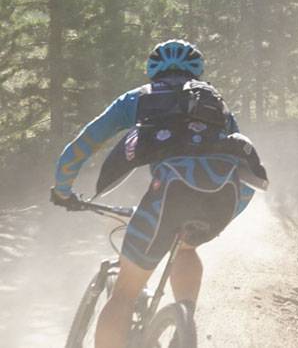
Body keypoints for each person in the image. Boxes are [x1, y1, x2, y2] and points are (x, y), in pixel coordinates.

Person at [50, 40, 265, 348]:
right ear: (197, 71)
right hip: (223, 198)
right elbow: (241, 159)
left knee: (124, 293)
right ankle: (183, 324)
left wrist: (63, 189)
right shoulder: (214, 102)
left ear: (153, 71)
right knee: (187, 248)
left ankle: (174, 325)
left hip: (169, 195)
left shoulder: (137, 99)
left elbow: (83, 144)